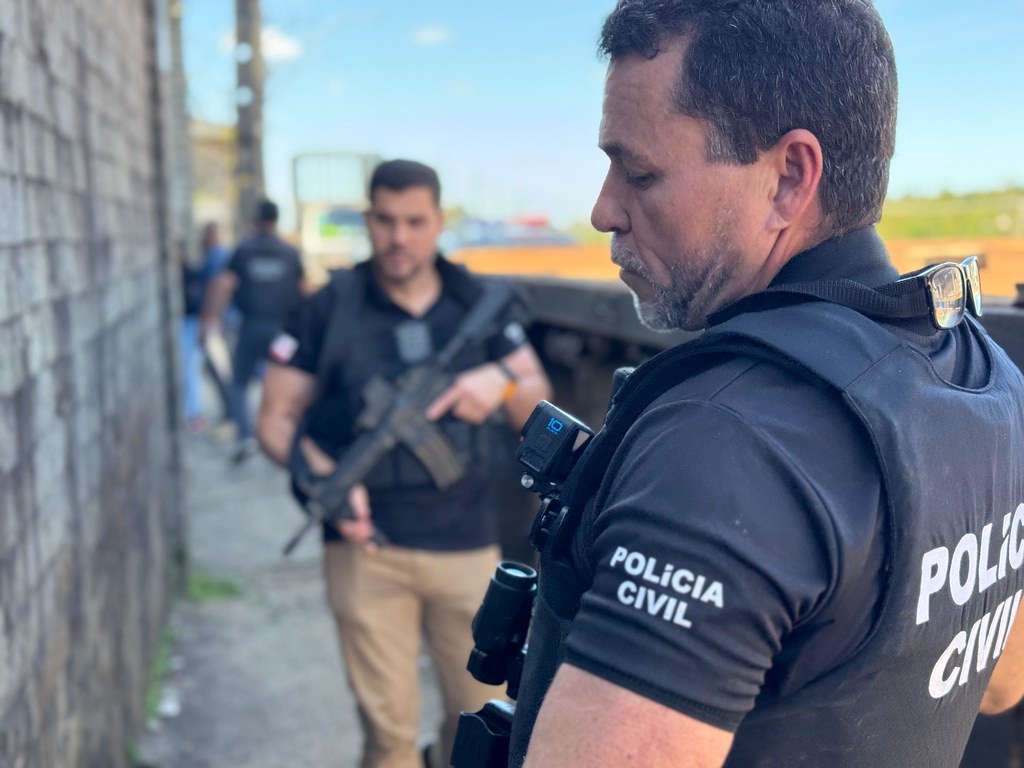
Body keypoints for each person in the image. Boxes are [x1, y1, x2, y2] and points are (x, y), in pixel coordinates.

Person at [507, 2, 1024, 767]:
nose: (603, 210)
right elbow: (1001, 681)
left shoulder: (726, 443)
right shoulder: (985, 376)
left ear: (789, 179)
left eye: (640, 173)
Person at [256, 159, 552, 768]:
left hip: (467, 549)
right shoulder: (328, 308)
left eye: (415, 222)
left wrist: (497, 380)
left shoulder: (479, 302)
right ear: (368, 220)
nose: (399, 237)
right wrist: (319, 476)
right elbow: (275, 419)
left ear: (438, 222)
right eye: (386, 221)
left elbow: (535, 396)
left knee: (478, 728)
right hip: (366, 553)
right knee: (387, 738)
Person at [202, 200, 306, 463]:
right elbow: (304, 291)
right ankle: (289, 436)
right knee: (290, 382)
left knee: (239, 383)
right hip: (282, 332)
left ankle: (246, 437)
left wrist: (211, 320)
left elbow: (224, 285)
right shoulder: (289, 253)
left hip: (251, 328)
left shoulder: (245, 250)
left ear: (258, 220)